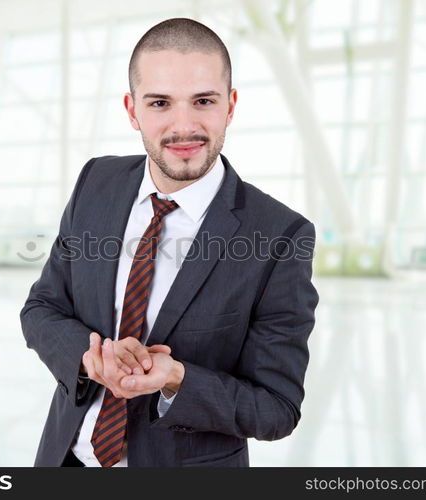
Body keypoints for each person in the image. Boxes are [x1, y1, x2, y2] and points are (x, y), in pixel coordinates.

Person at [20, 17, 319, 467]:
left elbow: (277, 408)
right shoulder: (95, 182)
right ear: (132, 109)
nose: (184, 126)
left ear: (231, 106)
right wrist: (90, 357)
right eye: (160, 102)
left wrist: (177, 379)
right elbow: (42, 309)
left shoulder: (279, 236)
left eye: (203, 101)